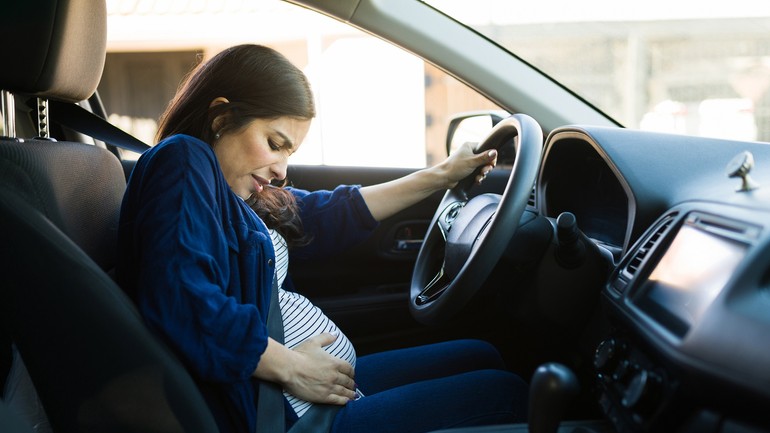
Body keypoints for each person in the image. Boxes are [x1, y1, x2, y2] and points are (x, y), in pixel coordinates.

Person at [116, 44, 528, 433]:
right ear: (221, 118)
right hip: (278, 412)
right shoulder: (183, 159)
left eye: (289, 153)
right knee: (504, 394)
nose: (281, 170)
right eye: (274, 144)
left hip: (302, 390)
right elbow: (183, 300)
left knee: (482, 354)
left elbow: (328, 214)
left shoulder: (231, 194)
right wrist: (291, 367)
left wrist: (443, 175)